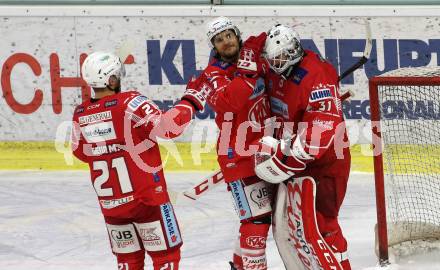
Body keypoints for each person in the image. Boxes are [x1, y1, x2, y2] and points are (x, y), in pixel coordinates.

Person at [71, 51, 208, 270]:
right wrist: (191, 100)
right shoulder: (129, 102)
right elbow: (168, 128)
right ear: (112, 79)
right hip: (147, 202)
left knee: (128, 262)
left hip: (112, 207)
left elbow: (80, 152)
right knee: (166, 258)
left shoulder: (80, 113)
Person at [254, 24, 352, 269]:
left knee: (323, 223)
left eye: (282, 57)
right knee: (295, 228)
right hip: (296, 161)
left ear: (294, 50)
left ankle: (342, 264)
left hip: (327, 162)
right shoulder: (275, 71)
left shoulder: (317, 74)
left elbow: (322, 126)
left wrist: (290, 156)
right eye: (273, 59)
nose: (277, 63)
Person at [192, 17, 273, 270]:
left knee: (262, 217)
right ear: (214, 47)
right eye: (218, 39)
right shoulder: (212, 75)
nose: (225, 42)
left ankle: (240, 265)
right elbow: (229, 102)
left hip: (267, 148)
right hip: (236, 155)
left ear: (237, 36)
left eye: (228, 35)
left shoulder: (254, 56)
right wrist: (247, 70)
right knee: (256, 220)